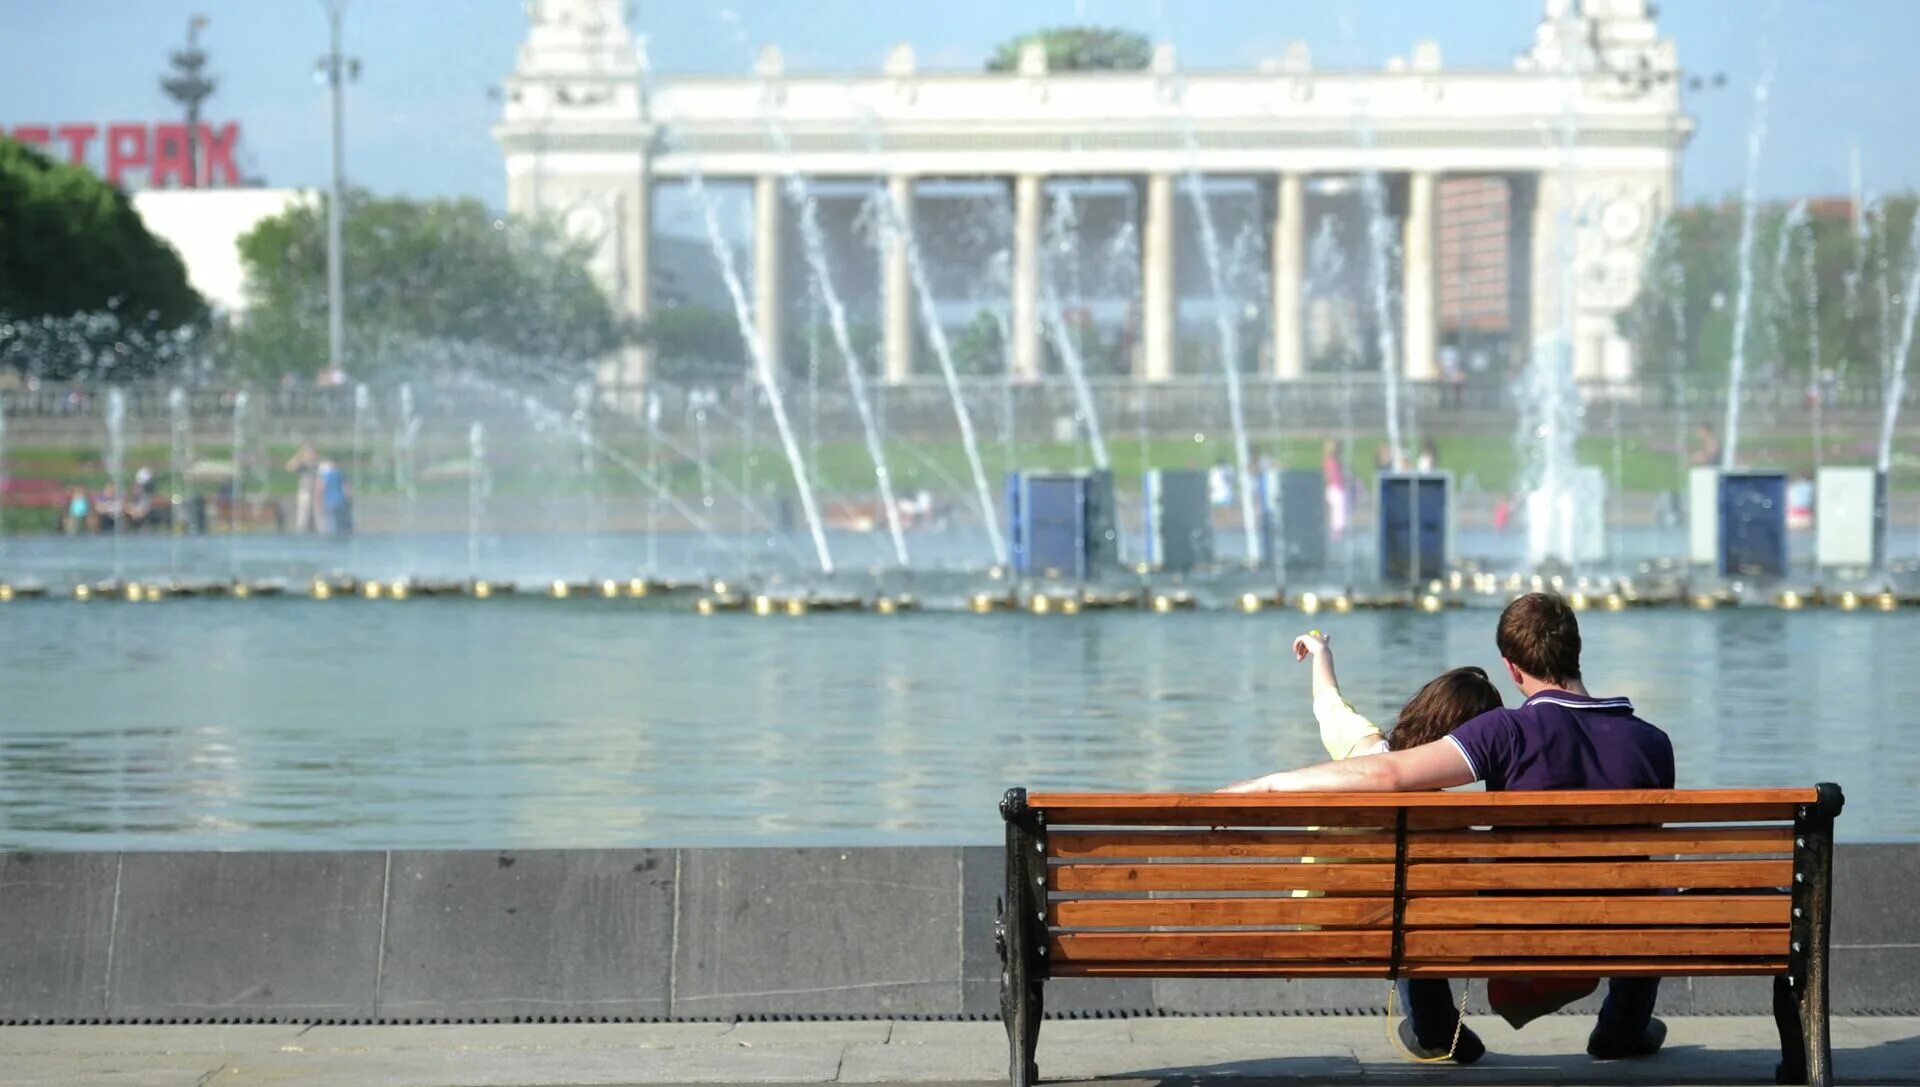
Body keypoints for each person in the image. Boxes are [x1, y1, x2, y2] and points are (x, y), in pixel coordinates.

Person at [1224, 593, 1674, 1066]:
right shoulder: (1653, 742)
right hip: (1614, 928)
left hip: (1514, 935)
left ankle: (1437, 1027)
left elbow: (1389, 774)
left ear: (1512, 668)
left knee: (1422, 884)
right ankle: (1623, 1024)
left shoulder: (1506, 730)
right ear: (1577, 651)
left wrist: (1268, 784)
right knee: (1654, 887)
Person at [287, 443, 319, 534]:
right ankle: (301, 533)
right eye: (308, 453)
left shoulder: (318, 465)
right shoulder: (302, 466)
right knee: (303, 516)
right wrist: (299, 454)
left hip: (317, 494)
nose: (310, 455)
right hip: (305, 493)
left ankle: (317, 533)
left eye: (312, 453)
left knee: (317, 516)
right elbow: (290, 466)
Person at [1321, 440, 1349, 541]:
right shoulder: (1331, 461)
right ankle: (1337, 534)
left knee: (1336, 511)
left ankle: (1336, 533)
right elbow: (1330, 475)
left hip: (1334, 488)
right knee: (1338, 511)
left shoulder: (1333, 461)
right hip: (1335, 488)